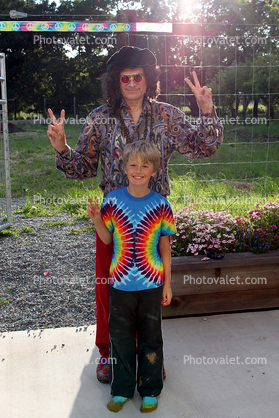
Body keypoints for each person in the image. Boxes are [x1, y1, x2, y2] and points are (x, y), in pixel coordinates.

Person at [47, 45, 223, 383]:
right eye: (124, 78)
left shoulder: (168, 116)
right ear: (116, 81)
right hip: (113, 220)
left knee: (149, 292)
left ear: (149, 79)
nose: (130, 82)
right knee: (108, 290)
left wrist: (207, 109)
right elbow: (82, 167)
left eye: (137, 76)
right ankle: (109, 354)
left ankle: (149, 356)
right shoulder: (100, 118)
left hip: (153, 221)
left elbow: (204, 146)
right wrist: (61, 147)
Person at [87, 141, 177, 413]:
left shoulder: (161, 205)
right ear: (124, 167)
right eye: (133, 164)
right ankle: (121, 389)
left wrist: (167, 284)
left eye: (145, 165)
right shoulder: (112, 200)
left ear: (154, 170)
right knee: (120, 337)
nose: (138, 170)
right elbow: (107, 239)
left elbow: (165, 247)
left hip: (151, 283)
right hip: (121, 284)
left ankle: (150, 390)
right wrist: (95, 220)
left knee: (151, 336)